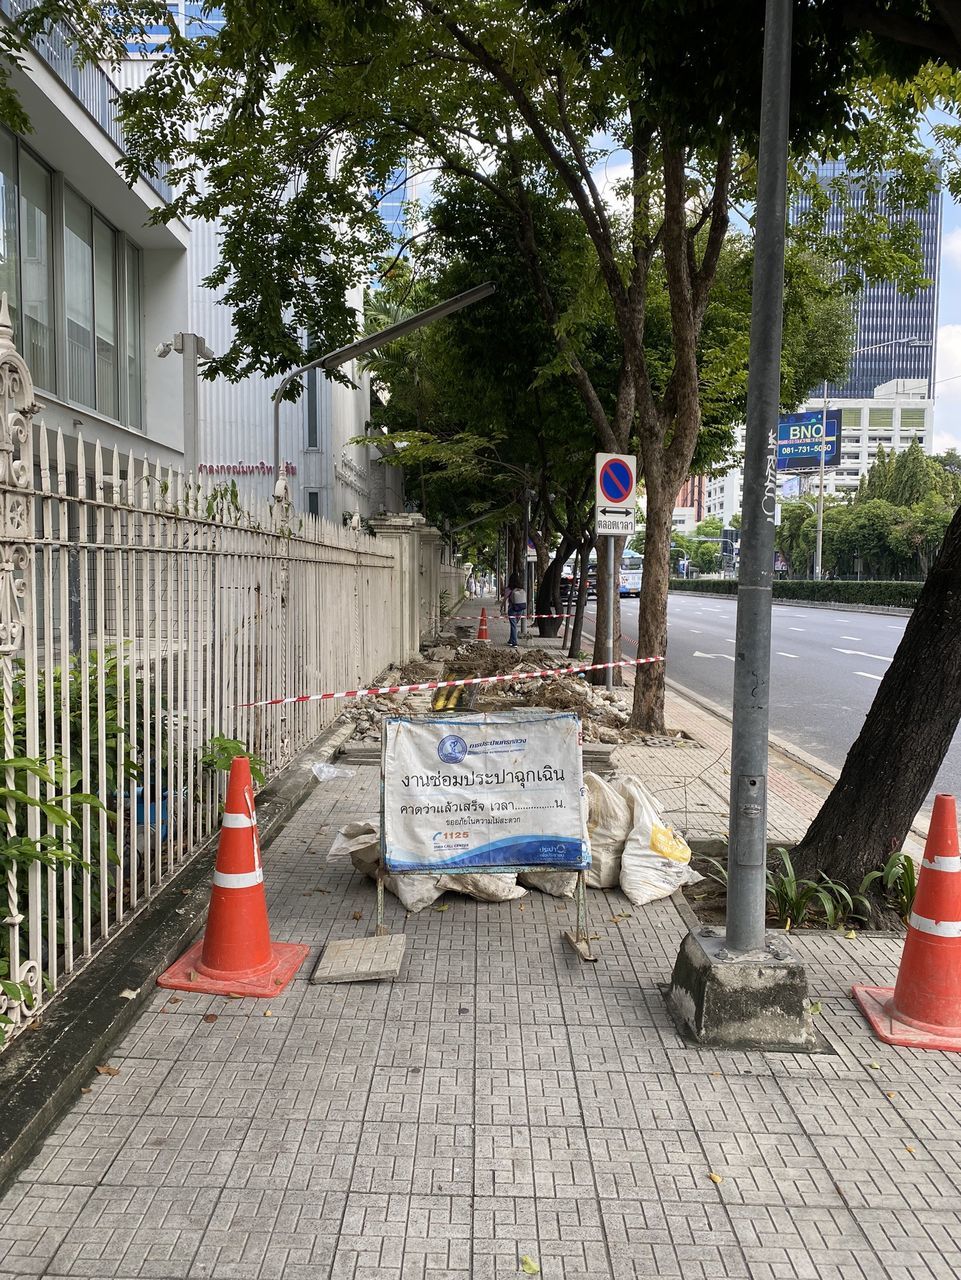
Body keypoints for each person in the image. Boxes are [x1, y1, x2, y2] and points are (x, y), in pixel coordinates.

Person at [505, 573, 527, 647]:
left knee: (513, 625)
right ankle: (511, 640)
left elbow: (505, 599)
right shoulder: (521, 588)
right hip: (521, 609)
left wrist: (502, 608)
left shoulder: (509, 589)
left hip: (512, 609)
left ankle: (514, 642)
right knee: (514, 625)